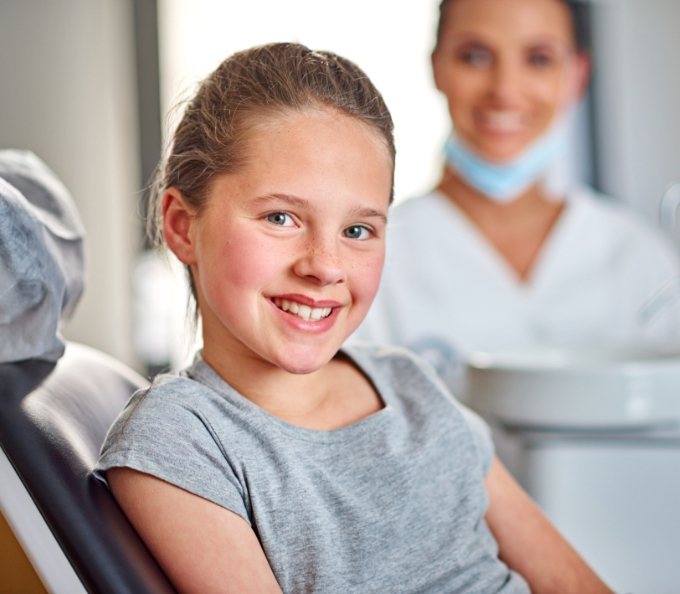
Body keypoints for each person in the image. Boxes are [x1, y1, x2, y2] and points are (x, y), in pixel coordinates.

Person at [94, 42, 612, 593]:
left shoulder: (410, 383)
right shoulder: (182, 439)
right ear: (180, 226)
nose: (325, 267)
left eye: (358, 230)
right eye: (281, 217)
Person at [352, 0, 680, 389]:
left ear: (578, 74)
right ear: (437, 67)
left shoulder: (639, 257)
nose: (505, 90)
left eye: (539, 59)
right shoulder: (374, 255)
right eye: (474, 56)